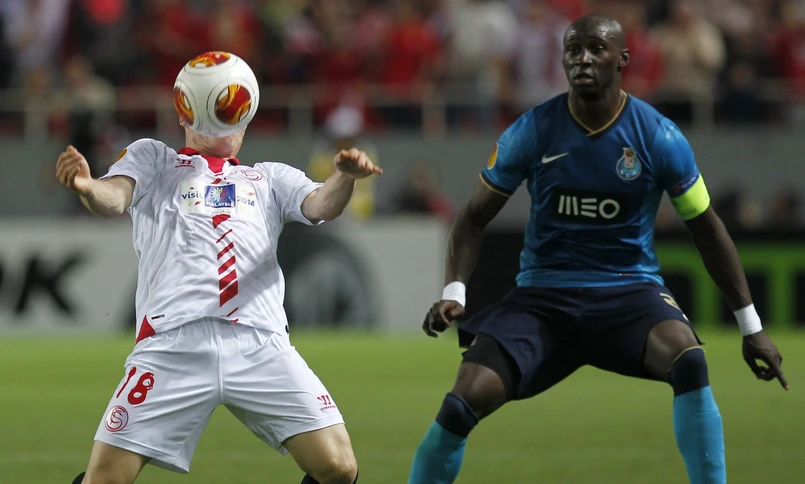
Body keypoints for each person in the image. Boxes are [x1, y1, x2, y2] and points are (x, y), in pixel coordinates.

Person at [410, 14, 786, 484]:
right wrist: (454, 292)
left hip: (630, 293)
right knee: (462, 401)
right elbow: (472, 216)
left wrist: (751, 328)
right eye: (573, 50)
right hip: (544, 299)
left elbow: (708, 230)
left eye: (596, 49)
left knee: (689, 360)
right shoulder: (534, 130)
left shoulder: (658, 137)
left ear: (622, 59)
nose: (583, 59)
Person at [56, 54, 381, 484]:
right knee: (105, 480)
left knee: (339, 467)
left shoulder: (268, 179)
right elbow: (113, 198)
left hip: (259, 343)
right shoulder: (154, 160)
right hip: (174, 344)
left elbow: (321, 204)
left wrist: (344, 178)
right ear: (185, 112)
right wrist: (88, 186)